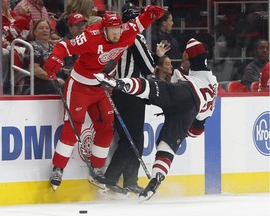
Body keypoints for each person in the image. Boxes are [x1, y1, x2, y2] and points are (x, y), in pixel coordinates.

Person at [42, 5, 165, 191]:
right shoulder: (91, 36)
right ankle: (58, 167)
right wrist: (55, 59)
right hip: (80, 86)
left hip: (101, 85)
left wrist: (150, 14)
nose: (116, 34)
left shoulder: (126, 31)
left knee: (106, 127)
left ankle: (97, 169)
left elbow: (140, 23)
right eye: (112, 31)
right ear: (103, 28)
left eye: (118, 29)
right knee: (73, 126)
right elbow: (64, 46)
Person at [94, 38, 218, 200]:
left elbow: (175, 79)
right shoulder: (213, 83)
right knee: (168, 145)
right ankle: (156, 177)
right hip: (191, 110)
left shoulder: (190, 76)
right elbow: (197, 130)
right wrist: (185, 133)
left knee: (152, 89)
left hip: (187, 93)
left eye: (184, 58)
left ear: (191, 59)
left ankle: (118, 83)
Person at [103, 7, 170, 194]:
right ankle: (116, 178)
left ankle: (125, 179)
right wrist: (156, 57)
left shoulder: (116, 37)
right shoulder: (134, 37)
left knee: (128, 138)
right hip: (132, 92)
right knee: (134, 139)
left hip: (118, 91)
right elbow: (148, 67)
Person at [22, 19, 64, 94]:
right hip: (34, 84)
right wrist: (53, 79)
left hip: (53, 79)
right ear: (34, 32)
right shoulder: (32, 46)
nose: (45, 30)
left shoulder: (53, 46)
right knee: (55, 84)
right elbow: (35, 69)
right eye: (41, 28)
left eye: (47, 28)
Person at [61, 13, 88, 80]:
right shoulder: (65, 44)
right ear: (70, 28)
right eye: (77, 25)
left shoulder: (90, 41)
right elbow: (68, 68)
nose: (80, 27)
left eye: (82, 24)